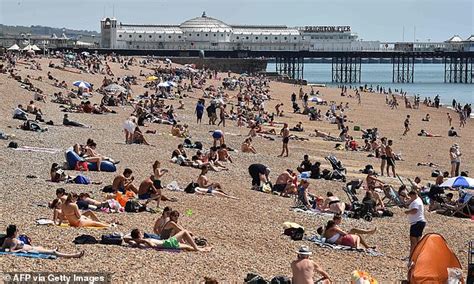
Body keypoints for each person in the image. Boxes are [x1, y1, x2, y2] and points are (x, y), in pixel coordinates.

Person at [1, 225, 84, 258]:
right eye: (17, 230)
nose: (18, 231)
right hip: (30, 250)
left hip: (32, 248)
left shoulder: (6, 239)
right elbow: (11, 251)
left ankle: (52, 251)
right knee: (53, 252)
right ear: (14, 232)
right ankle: (74, 255)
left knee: (41, 247)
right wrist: (20, 250)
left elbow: (3, 249)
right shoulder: (14, 240)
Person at [124, 228, 212, 252]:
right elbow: (153, 246)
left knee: (187, 247)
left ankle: (202, 249)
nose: (142, 234)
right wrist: (144, 240)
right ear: (139, 235)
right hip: (167, 243)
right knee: (184, 232)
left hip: (167, 243)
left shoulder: (137, 241)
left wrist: (135, 239)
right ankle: (197, 249)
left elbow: (125, 238)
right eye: (141, 233)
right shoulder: (143, 242)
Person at [405, 191, 426, 256]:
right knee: (418, 241)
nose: (411, 198)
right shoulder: (418, 199)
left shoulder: (416, 202)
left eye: (411, 196)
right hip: (420, 222)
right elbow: (408, 202)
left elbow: (415, 210)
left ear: (413, 195)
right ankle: (417, 255)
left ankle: (411, 256)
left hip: (416, 223)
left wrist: (407, 212)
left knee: (413, 241)